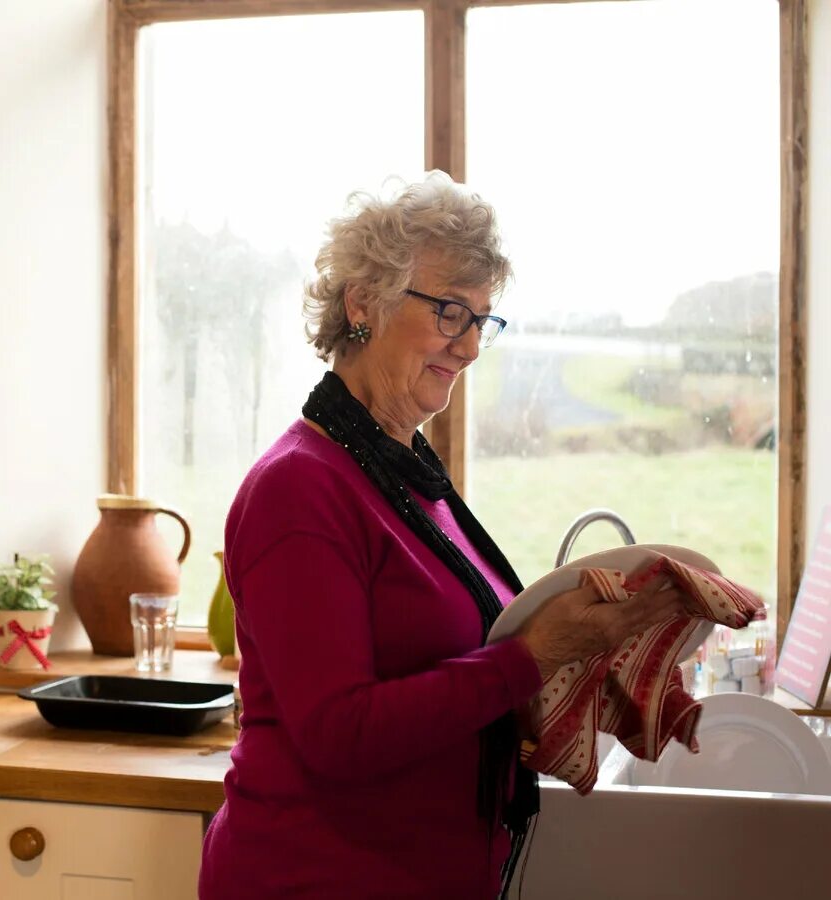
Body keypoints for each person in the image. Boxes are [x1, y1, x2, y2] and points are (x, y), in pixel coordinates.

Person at [198, 173, 687, 899]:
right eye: (451, 310)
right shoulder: (299, 489)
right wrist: (533, 657)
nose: (471, 347)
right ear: (363, 302)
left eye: (483, 320)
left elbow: (458, 679)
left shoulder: (404, 478)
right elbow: (342, 733)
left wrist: (601, 676)